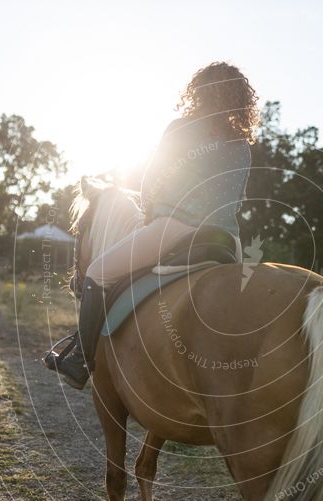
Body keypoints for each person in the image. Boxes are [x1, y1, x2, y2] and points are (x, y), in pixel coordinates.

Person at [52, 62, 259, 389]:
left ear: (199, 92)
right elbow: (239, 196)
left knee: (99, 271)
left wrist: (149, 215)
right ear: (240, 99)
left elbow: (152, 180)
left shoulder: (183, 128)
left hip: (178, 228)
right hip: (228, 241)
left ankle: (80, 360)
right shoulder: (242, 145)